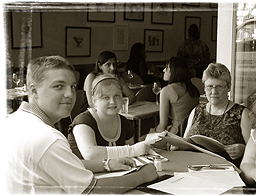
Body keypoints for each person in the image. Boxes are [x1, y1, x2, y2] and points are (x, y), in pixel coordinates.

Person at [4, 55, 158, 194]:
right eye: (58, 86)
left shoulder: (12, 121)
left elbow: (64, 164)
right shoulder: (48, 138)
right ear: (34, 91)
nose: (70, 94)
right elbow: (91, 191)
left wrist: (107, 164)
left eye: (72, 86)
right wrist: (142, 176)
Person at [69, 74, 160, 160]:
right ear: (94, 101)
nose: (112, 101)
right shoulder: (84, 121)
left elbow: (130, 158)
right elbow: (90, 154)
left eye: (117, 96)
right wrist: (134, 150)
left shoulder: (124, 122)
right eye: (105, 97)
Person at [182, 63, 251, 167]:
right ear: (204, 88)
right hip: (194, 168)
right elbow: (185, 141)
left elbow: (255, 152)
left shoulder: (242, 114)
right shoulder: (197, 111)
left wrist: (243, 149)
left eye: (219, 86)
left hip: (225, 171)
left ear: (228, 87)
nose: (214, 91)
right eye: (209, 86)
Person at [154, 57, 200, 135]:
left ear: (173, 71)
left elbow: (162, 126)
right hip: (193, 134)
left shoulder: (167, 90)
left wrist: (152, 133)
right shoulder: (192, 88)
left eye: (166, 68)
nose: (164, 70)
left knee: (141, 140)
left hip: (176, 136)